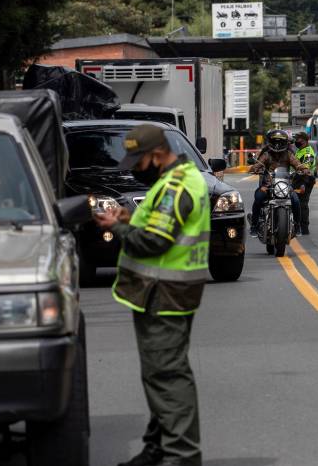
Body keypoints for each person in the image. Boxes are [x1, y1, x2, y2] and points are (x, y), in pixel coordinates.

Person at [94, 124, 211, 466]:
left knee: (167, 376)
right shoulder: (177, 180)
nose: (134, 169)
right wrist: (129, 218)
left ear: (157, 155)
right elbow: (161, 228)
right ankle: (158, 447)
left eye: (138, 161)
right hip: (165, 292)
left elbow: (152, 242)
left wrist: (115, 226)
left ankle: (181, 456)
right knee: (161, 374)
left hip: (165, 294)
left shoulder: (176, 186)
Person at [249, 129, 307, 237]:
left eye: (280, 142)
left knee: (295, 201)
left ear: (285, 143)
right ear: (271, 142)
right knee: (258, 198)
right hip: (268, 185)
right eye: (275, 142)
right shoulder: (266, 154)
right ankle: (254, 226)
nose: (277, 145)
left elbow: (297, 164)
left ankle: (297, 225)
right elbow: (258, 164)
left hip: (285, 185)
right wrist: (254, 168)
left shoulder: (289, 154)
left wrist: (304, 169)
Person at [293, 132, 317, 235]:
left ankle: (304, 228)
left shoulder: (308, 152)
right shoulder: (300, 150)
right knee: (294, 202)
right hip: (297, 179)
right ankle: (294, 225)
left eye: (299, 140)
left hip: (305, 180)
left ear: (305, 141)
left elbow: (306, 169)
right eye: (296, 139)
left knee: (302, 204)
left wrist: (302, 183)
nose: (297, 142)